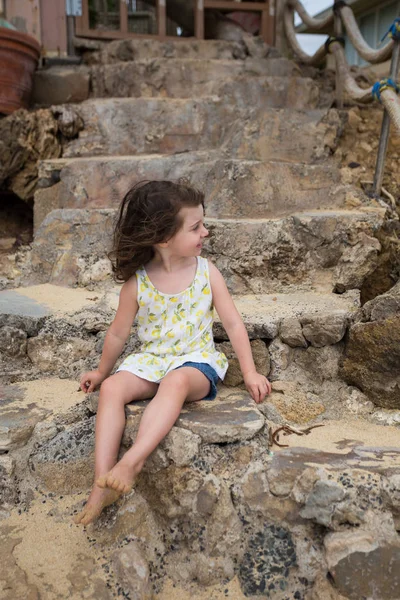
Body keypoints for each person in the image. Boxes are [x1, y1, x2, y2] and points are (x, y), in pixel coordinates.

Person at [74, 180, 271, 526]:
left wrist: (251, 372)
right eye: (195, 227)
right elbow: (119, 333)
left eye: (203, 224)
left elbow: (234, 324)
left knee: (176, 382)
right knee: (114, 390)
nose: (205, 232)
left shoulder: (206, 273)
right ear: (164, 238)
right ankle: (100, 483)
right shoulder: (138, 283)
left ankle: (131, 463)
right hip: (152, 360)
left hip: (195, 362)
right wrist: (103, 372)